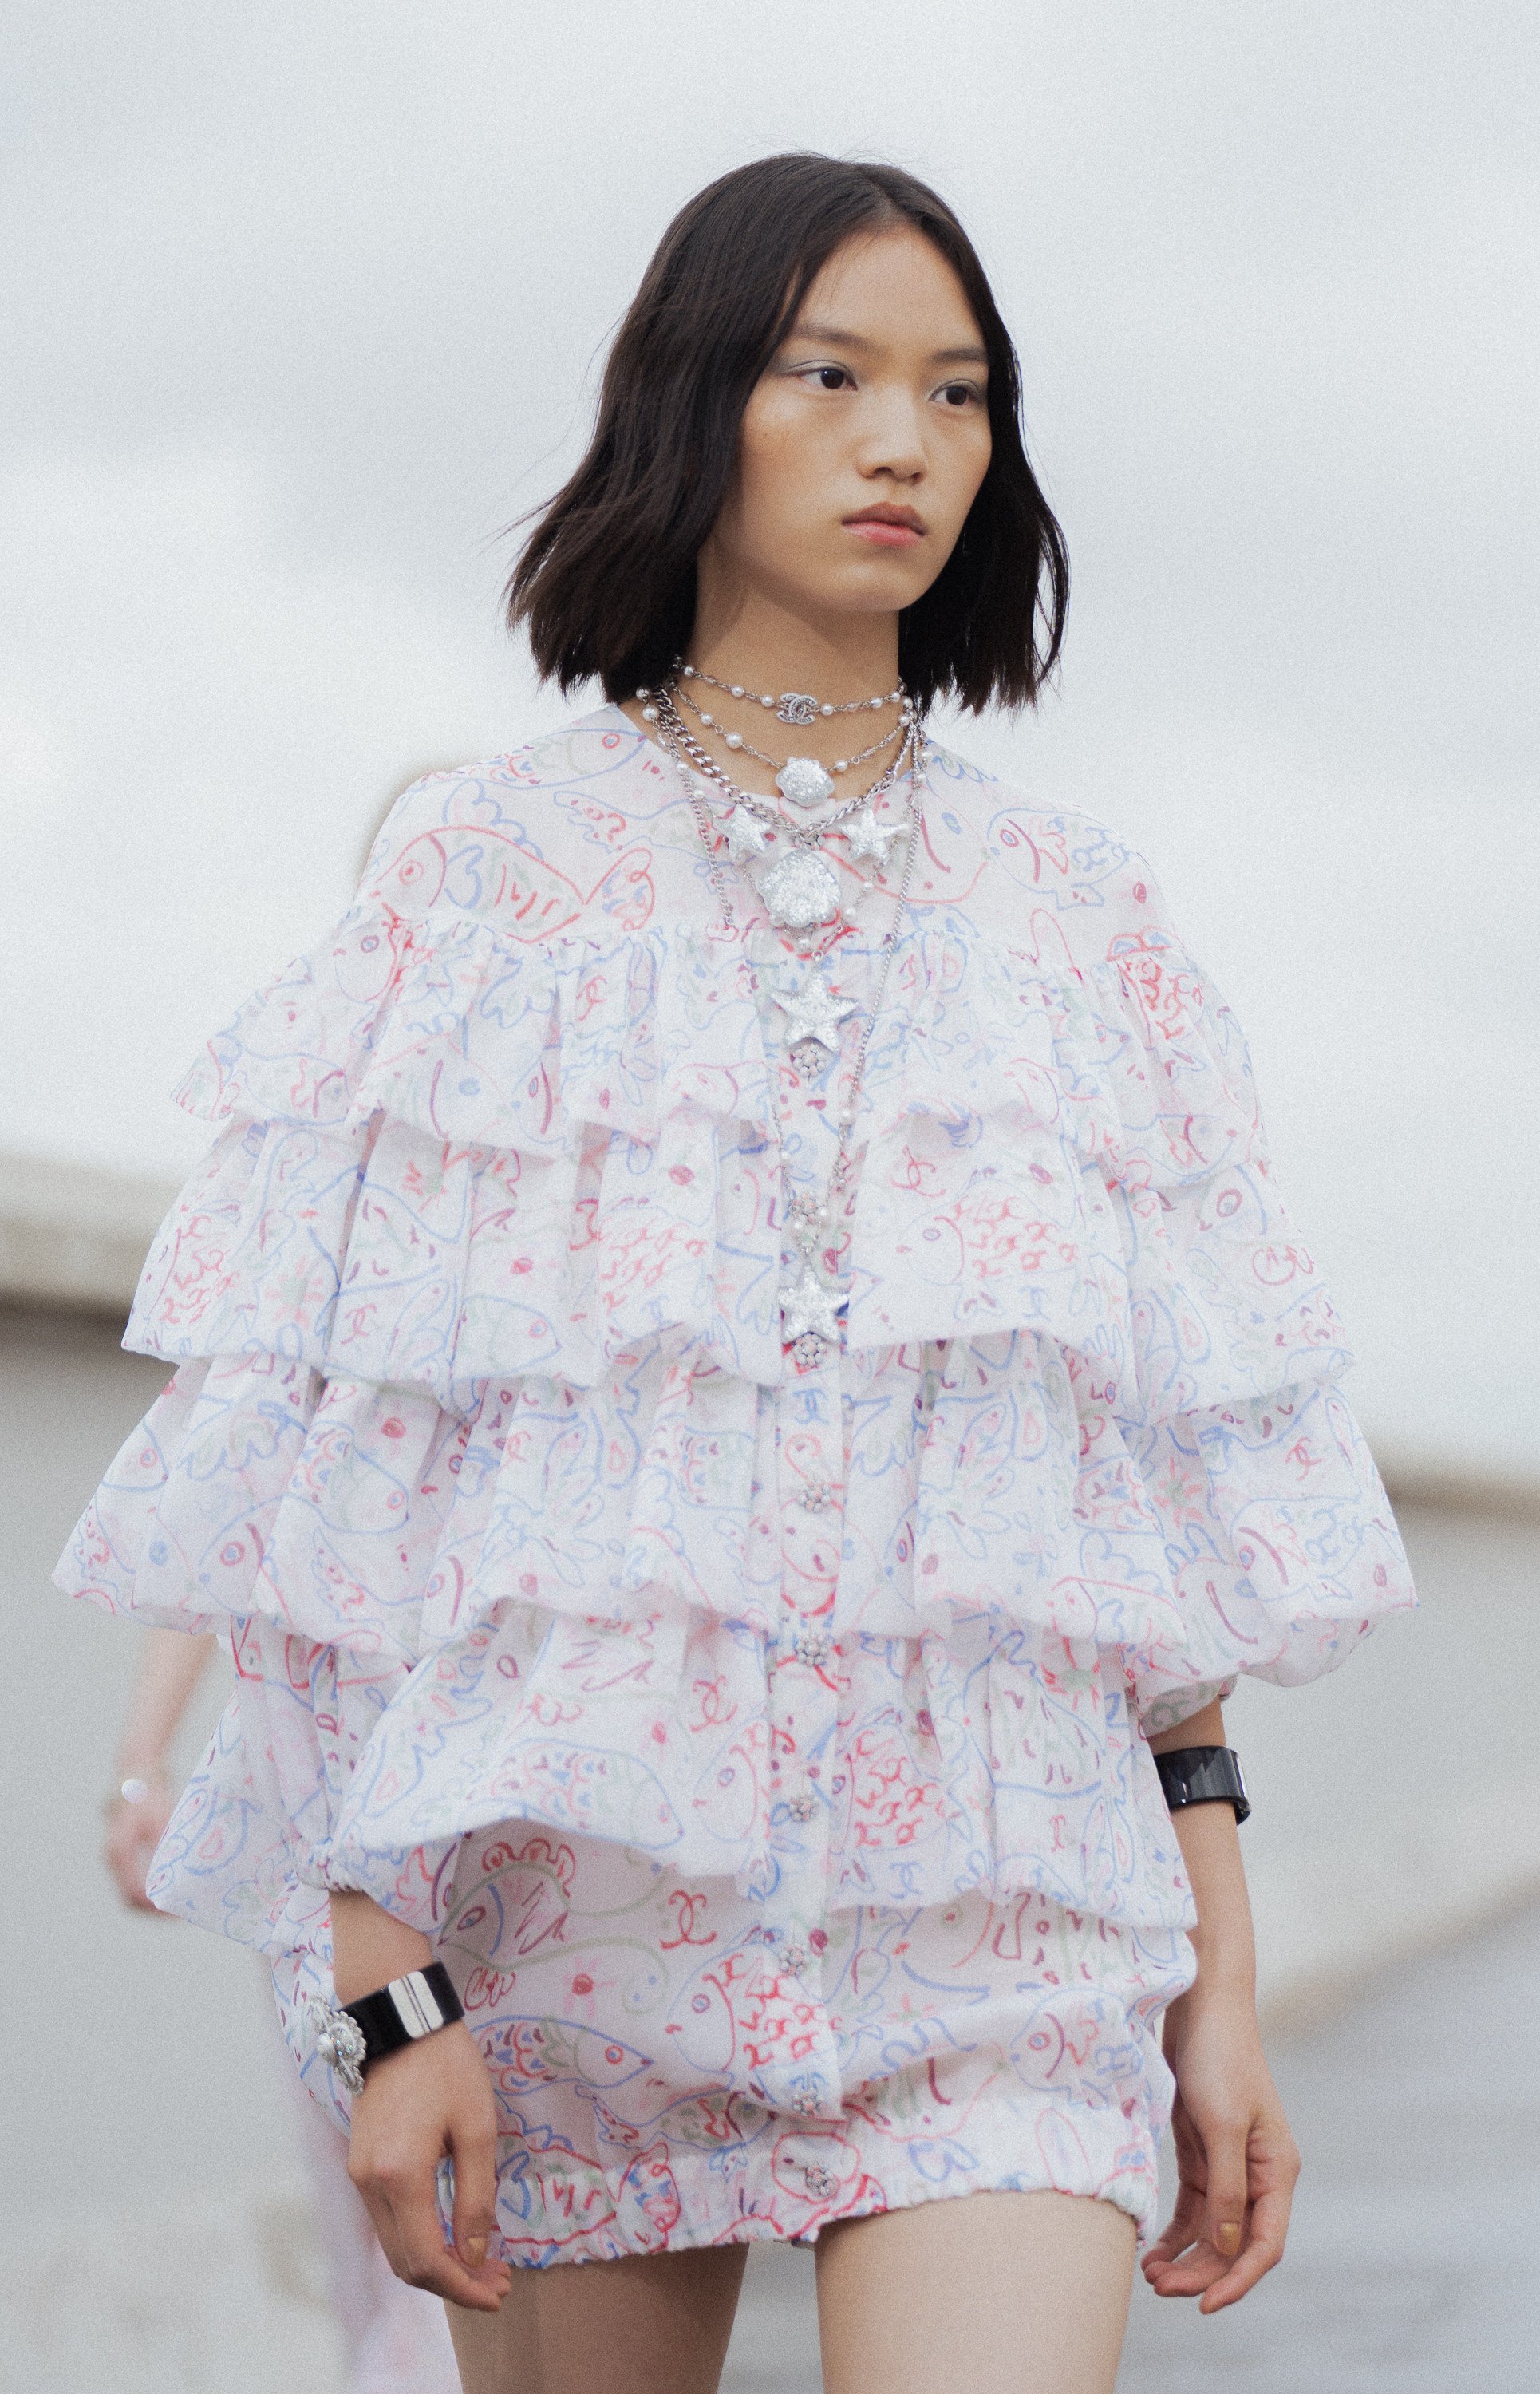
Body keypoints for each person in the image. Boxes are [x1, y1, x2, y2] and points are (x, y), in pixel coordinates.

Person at [57, 153, 1416, 2394]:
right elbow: (347, 1521)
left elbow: (1125, 1535)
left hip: (1004, 1955)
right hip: (572, 1957)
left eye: (963, 394)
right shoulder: (489, 886)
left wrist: (1221, 1981)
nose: (907, 442)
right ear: (700, 403)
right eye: (836, 374)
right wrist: (392, 1997)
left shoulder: (1082, 928)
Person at [103, 1627, 463, 2393]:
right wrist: (141, 1768)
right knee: (369, 2226)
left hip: (470, 1793)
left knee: (448, 2219)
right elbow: (221, 1524)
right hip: (315, 1808)